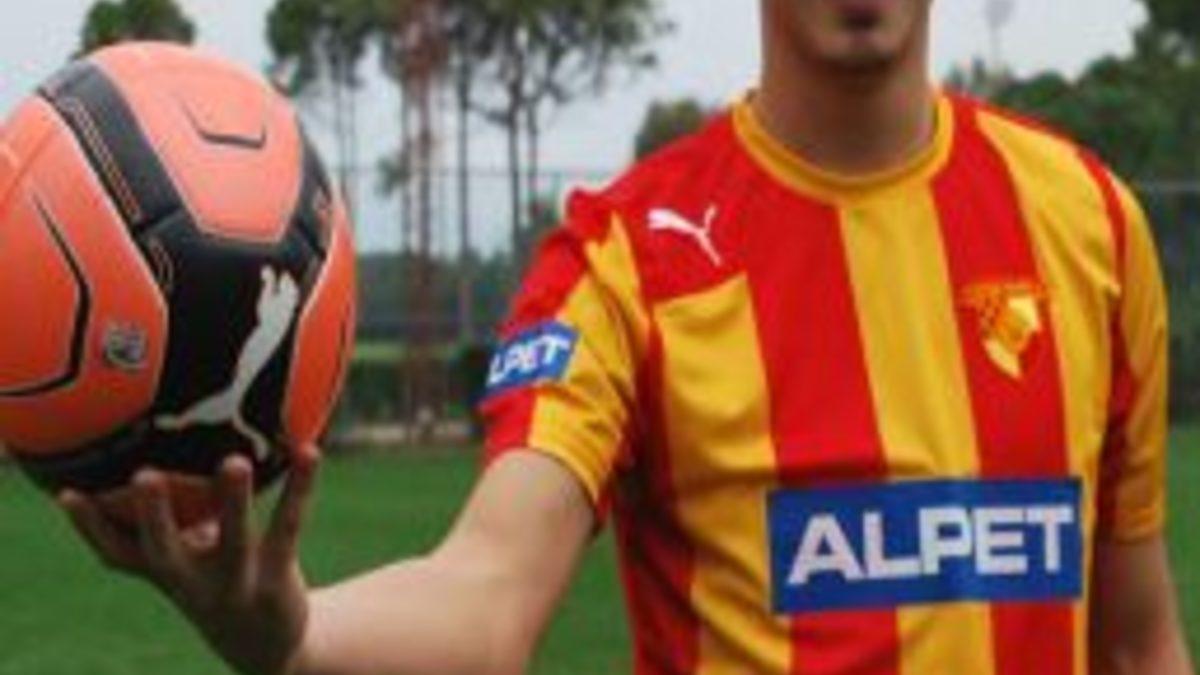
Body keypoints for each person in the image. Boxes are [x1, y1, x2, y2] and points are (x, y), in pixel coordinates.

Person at [59, 0, 1194, 673]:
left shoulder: (1089, 224)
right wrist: (296, 638)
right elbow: (488, 592)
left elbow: (1140, 643)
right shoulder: (626, 264)